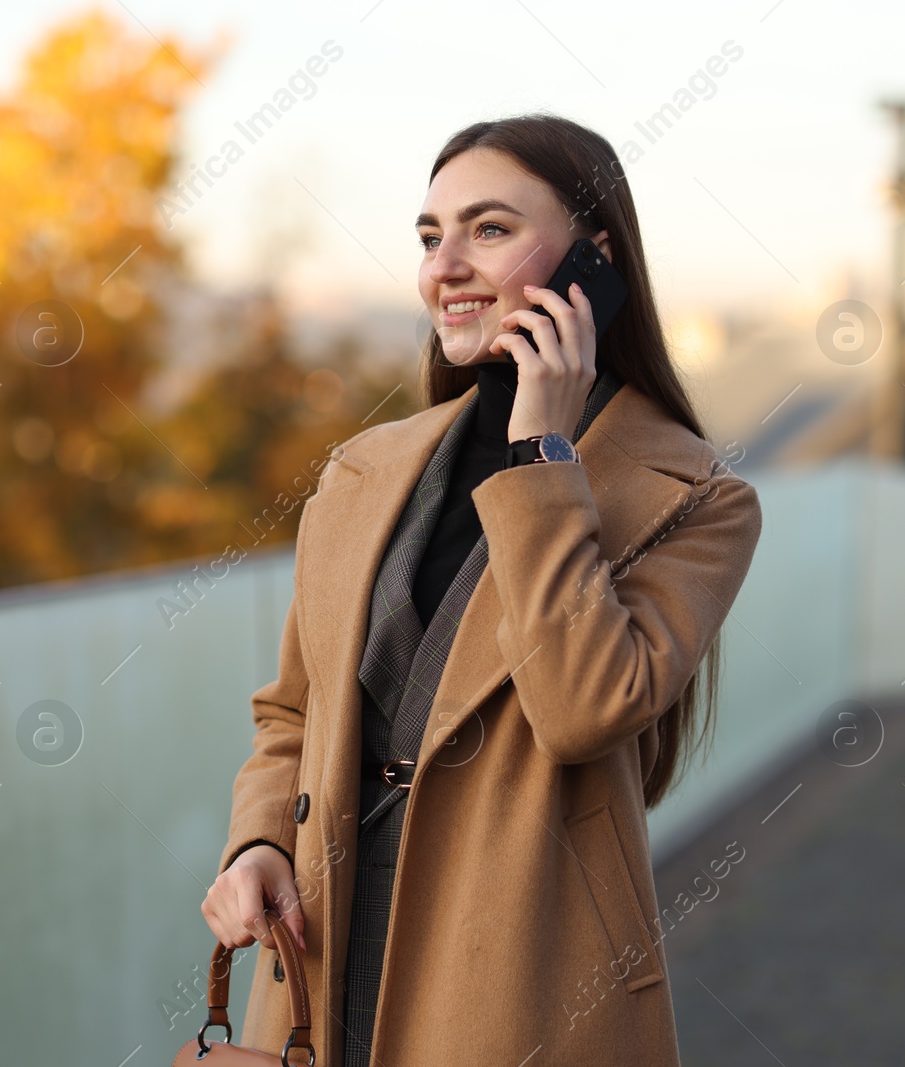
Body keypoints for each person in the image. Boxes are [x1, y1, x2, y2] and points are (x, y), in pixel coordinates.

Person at [199, 113, 763, 1066]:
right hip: (320, 949)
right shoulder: (363, 471)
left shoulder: (697, 499)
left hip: (519, 981)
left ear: (596, 262)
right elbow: (293, 709)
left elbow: (584, 706)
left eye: (489, 230)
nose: (444, 266)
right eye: (430, 236)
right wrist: (257, 843)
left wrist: (544, 457)